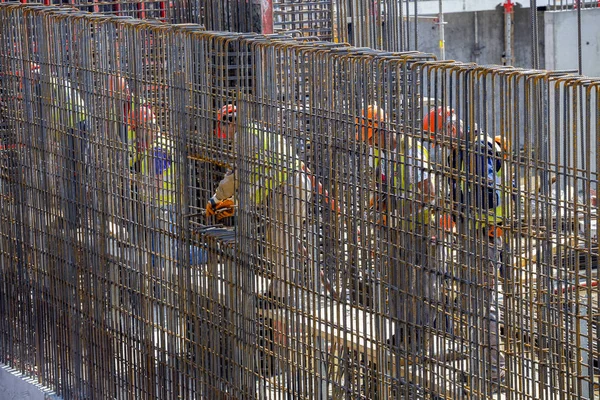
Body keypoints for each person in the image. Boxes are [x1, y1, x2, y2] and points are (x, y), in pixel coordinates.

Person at [423, 106, 508, 392]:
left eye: (438, 139)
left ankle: (493, 375)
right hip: (471, 236)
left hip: (484, 238)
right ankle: (479, 368)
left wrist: (457, 210)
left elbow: (489, 197)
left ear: (450, 129)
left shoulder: (477, 150)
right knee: (472, 306)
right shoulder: (459, 152)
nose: (437, 146)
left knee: (484, 306)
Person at [206, 104, 313, 306]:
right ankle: (282, 287)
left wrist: (217, 198)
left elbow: (237, 176)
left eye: (223, 126)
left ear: (230, 123)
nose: (225, 133)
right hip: (291, 186)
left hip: (289, 188)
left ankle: (281, 296)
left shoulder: (244, 137)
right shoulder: (254, 132)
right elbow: (237, 171)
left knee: (283, 243)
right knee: (279, 240)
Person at [356, 105, 439, 354]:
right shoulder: (380, 152)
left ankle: (422, 336)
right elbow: (383, 186)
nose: (371, 146)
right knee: (397, 281)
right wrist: (379, 208)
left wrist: (394, 214)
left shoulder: (410, 151)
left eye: (372, 139)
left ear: (383, 130)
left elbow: (429, 195)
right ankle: (403, 329)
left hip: (420, 228)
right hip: (396, 230)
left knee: (421, 285)